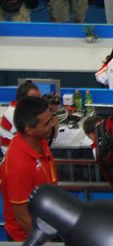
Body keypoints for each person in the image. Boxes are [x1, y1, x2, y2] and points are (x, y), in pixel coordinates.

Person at [0, 96, 58, 242]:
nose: (52, 125)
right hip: (29, 237)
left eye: (51, 119)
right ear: (29, 129)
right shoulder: (18, 165)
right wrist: (48, 243)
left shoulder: (40, 141)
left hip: (48, 224)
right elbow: (23, 218)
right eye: (47, 123)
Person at [0, 80, 41, 155]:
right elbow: (36, 139)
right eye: (34, 100)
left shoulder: (25, 111)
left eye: (39, 99)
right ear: (22, 100)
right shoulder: (13, 114)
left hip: (24, 153)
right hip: (14, 159)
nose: (39, 102)